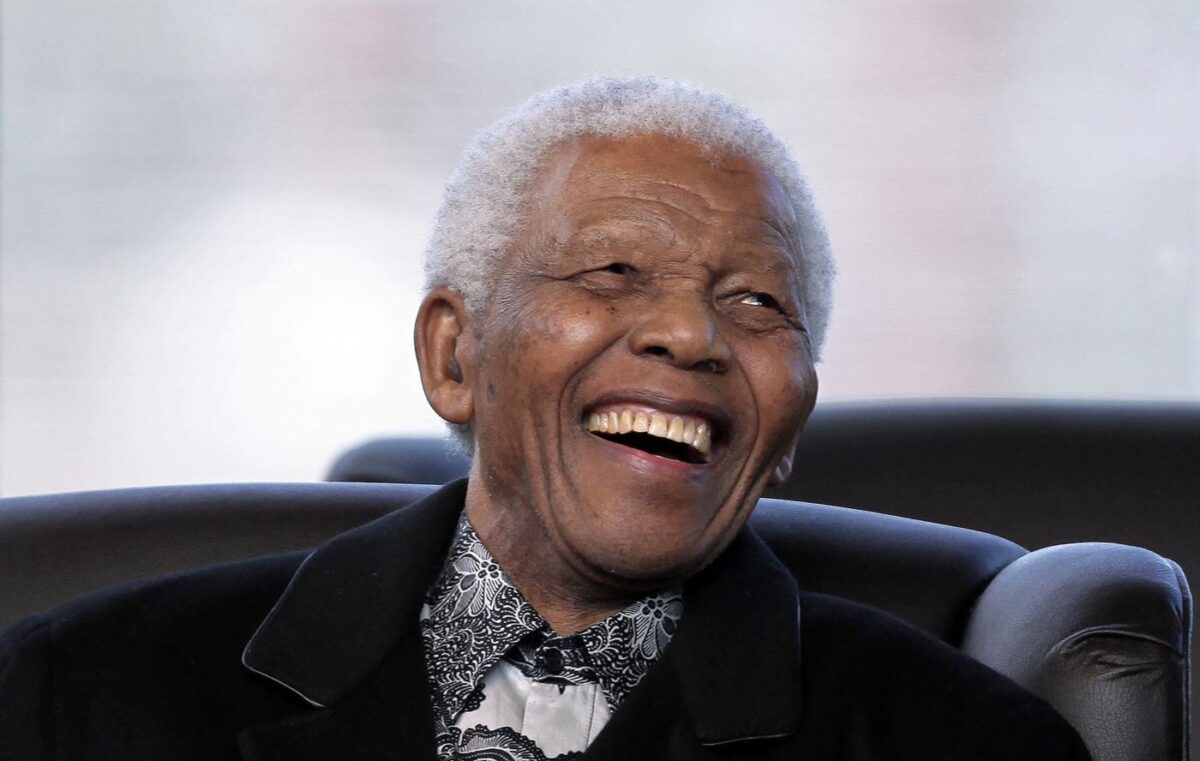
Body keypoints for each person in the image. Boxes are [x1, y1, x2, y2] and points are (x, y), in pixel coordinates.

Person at [0, 77, 1090, 760]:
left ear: (791, 419)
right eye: (614, 271)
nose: (691, 334)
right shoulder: (71, 696)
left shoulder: (966, 741)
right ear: (453, 355)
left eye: (758, 302)